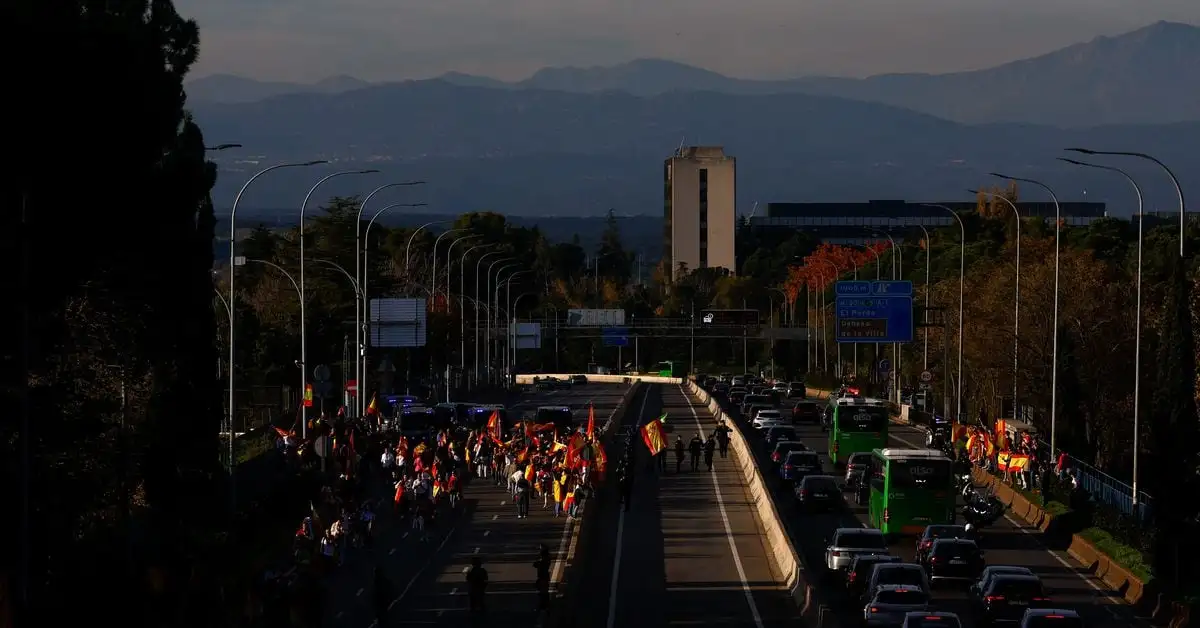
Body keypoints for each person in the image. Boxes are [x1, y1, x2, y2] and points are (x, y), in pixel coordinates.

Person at [533, 544, 552, 611]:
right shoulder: (545, 559)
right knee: (542, 591)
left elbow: (536, 564)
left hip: (543, 577)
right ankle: (544, 605)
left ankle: (545, 605)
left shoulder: (544, 560)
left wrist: (538, 562)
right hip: (543, 577)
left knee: (543, 592)